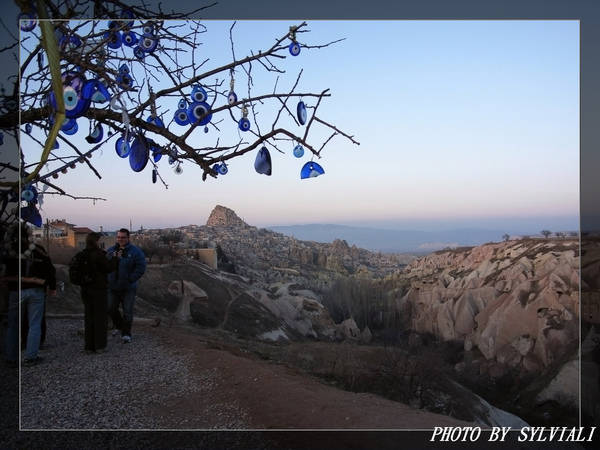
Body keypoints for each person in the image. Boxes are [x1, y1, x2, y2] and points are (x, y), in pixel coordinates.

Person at [3, 223, 56, 367]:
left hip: (16, 291)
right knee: (34, 324)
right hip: (36, 290)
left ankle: (11, 358)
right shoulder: (38, 250)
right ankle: (30, 357)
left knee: (13, 325)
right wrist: (52, 286)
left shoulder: (8, 251)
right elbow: (50, 268)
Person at [106, 228, 146, 344]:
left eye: (123, 237)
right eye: (118, 237)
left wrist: (129, 279)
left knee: (127, 311)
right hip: (113, 287)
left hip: (128, 288)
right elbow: (106, 266)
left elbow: (140, 268)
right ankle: (119, 326)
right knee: (110, 308)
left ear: (128, 238)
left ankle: (126, 333)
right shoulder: (111, 251)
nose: (120, 239)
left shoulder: (136, 252)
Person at [81, 232, 114, 354]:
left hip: (85, 290)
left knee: (89, 317)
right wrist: (114, 259)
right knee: (100, 318)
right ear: (95, 241)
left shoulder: (83, 254)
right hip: (98, 289)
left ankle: (89, 346)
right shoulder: (98, 254)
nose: (100, 242)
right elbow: (109, 269)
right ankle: (100, 346)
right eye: (100, 240)